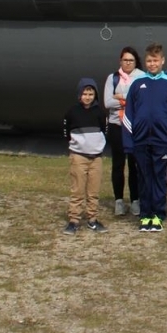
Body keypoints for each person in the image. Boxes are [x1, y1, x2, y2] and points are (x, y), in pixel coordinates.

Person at [124, 43, 167, 233]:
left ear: (162, 61)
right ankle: (145, 215)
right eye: (149, 61)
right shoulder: (137, 84)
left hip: (162, 142)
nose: (152, 64)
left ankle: (157, 215)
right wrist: (128, 142)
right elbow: (128, 114)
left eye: (155, 60)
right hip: (140, 141)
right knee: (144, 179)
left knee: (159, 179)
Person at [62, 77, 109, 234]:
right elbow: (65, 130)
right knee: (77, 189)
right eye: (84, 93)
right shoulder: (72, 112)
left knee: (93, 191)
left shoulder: (100, 113)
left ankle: (92, 219)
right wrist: (76, 145)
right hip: (78, 156)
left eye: (90, 93)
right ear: (79, 95)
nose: (87, 97)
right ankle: (74, 220)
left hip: (96, 157)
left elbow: (105, 129)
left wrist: (97, 145)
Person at [103, 47, 144, 217]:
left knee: (135, 165)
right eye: (125, 60)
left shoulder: (141, 77)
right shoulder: (112, 78)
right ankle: (119, 200)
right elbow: (107, 102)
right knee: (118, 165)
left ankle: (136, 200)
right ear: (120, 61)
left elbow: (141, 101)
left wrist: (120, 97)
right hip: (116, 125)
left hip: (134, 126)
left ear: (136, 62)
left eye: (131, 60)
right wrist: (127, 100)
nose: (127, 63)